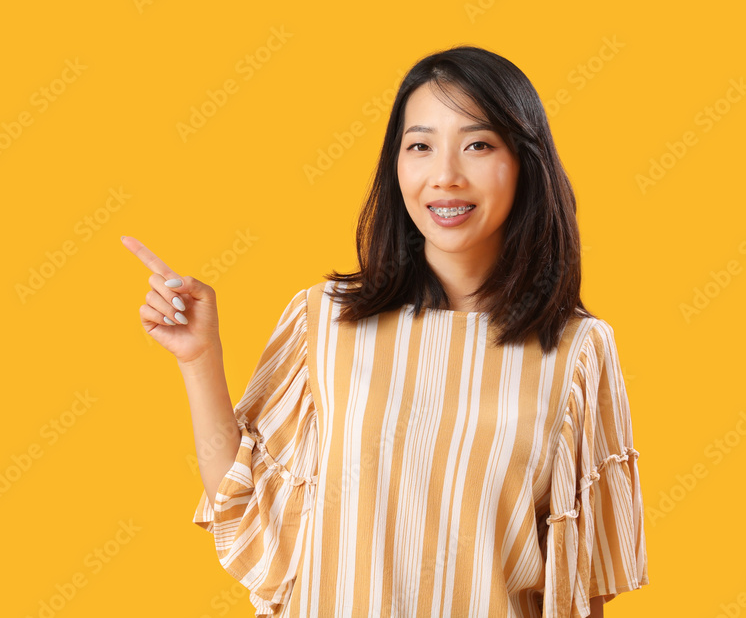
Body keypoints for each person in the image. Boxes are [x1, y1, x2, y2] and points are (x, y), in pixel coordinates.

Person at [122, 45, 649, 617]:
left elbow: (580, 586)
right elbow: (248, 508)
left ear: (525, 161)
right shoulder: (325, 319)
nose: (444, 176)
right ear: (395, 166)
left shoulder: (578, 351)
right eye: (420, 146)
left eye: (477, 145)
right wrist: (199, 358)